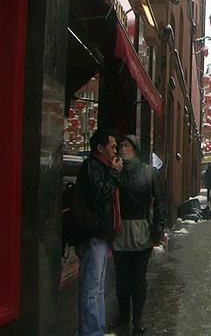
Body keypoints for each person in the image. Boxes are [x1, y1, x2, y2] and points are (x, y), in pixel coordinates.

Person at [108, 135, 166, 334]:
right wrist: (114, 173)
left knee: (139, 277)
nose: (123, 149)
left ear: (135, 148)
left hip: (142, 229)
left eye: (127, 146)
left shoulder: (149, 173)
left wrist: (159, 226)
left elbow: (159, 201)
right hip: (120, 229)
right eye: (120, 146)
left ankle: (138, 318)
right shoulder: (116, 171)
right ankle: (124, 315)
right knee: (122, 277)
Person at [75, 129, 123, 336]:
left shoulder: (104, 167)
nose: (116, 151)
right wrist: (114, 174)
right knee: (91, 290)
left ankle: (97, 330)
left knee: (98, 288)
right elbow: (99, 195)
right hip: (92, 235)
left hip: (102, 236)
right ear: (100, 148)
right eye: (112, 147)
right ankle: (91, 332)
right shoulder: (91, 166)